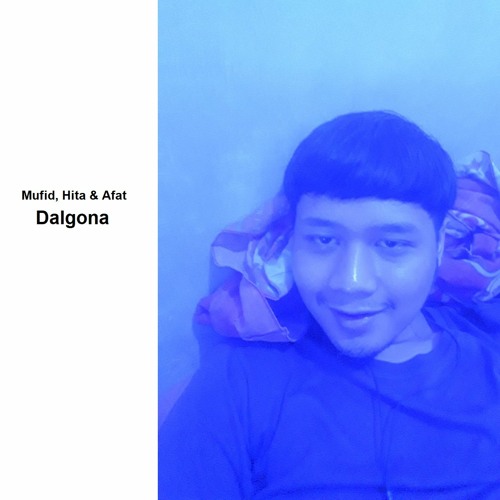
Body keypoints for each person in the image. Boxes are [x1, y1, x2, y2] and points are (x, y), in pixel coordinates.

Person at [159, 111, 500, 499]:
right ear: (293, 242)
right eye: (324, 240)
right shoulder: (240, 382)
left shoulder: (489, 358)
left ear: (437, 248)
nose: (351, 282)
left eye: (391, 244)